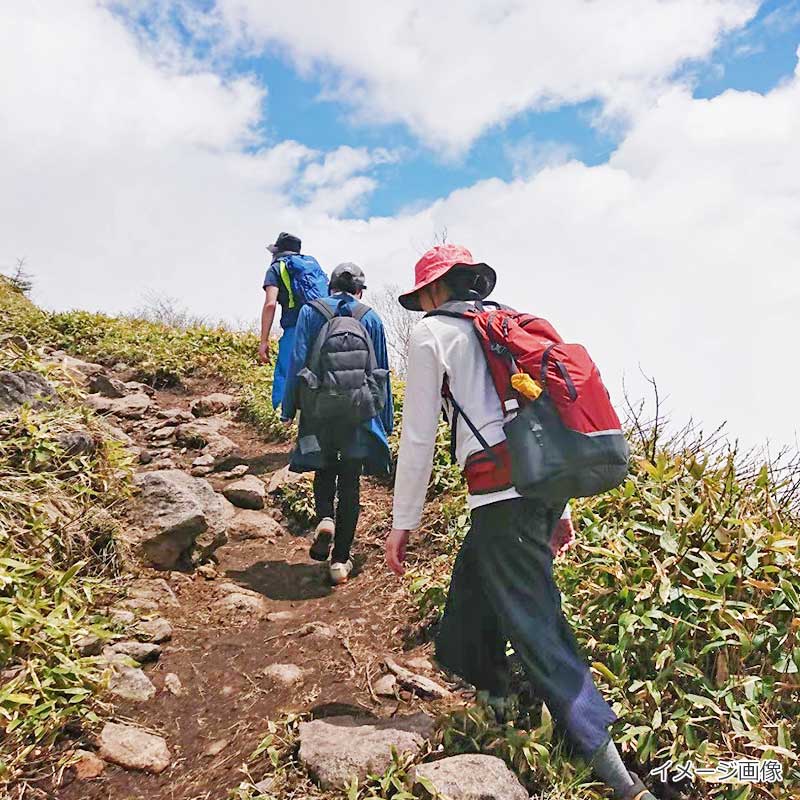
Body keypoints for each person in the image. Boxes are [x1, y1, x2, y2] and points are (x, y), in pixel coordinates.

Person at [385, 244, 658, 800]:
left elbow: (417, 437)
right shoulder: (506, 327)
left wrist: (402, 521)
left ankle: (620, 776)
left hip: (499, 498)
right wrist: (562, 507)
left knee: (539, 629)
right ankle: (497, 698)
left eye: (422, 295)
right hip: (537, 489)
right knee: (469, 598)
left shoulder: (431, 334)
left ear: (432, 290)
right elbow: (545, 420)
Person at [282, 262, 393, 585]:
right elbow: (381, 373)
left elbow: (298, 361)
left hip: (319, 409)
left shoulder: (310, 312)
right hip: (359, 413)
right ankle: (340, 561)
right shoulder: (370, 318)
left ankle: (325, 519)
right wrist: (385, 421)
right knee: (350, 483)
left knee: (324, 468)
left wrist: (289, 408)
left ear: (329, 287)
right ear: (360, 291)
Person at [259, 232, 328, 409]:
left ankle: (281, 414)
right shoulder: (311, 264)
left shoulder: (276, 268)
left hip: (295, 326)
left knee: (286, 371)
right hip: (322, 325)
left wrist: (264, 341)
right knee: (316, 371)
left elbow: (270, 305)